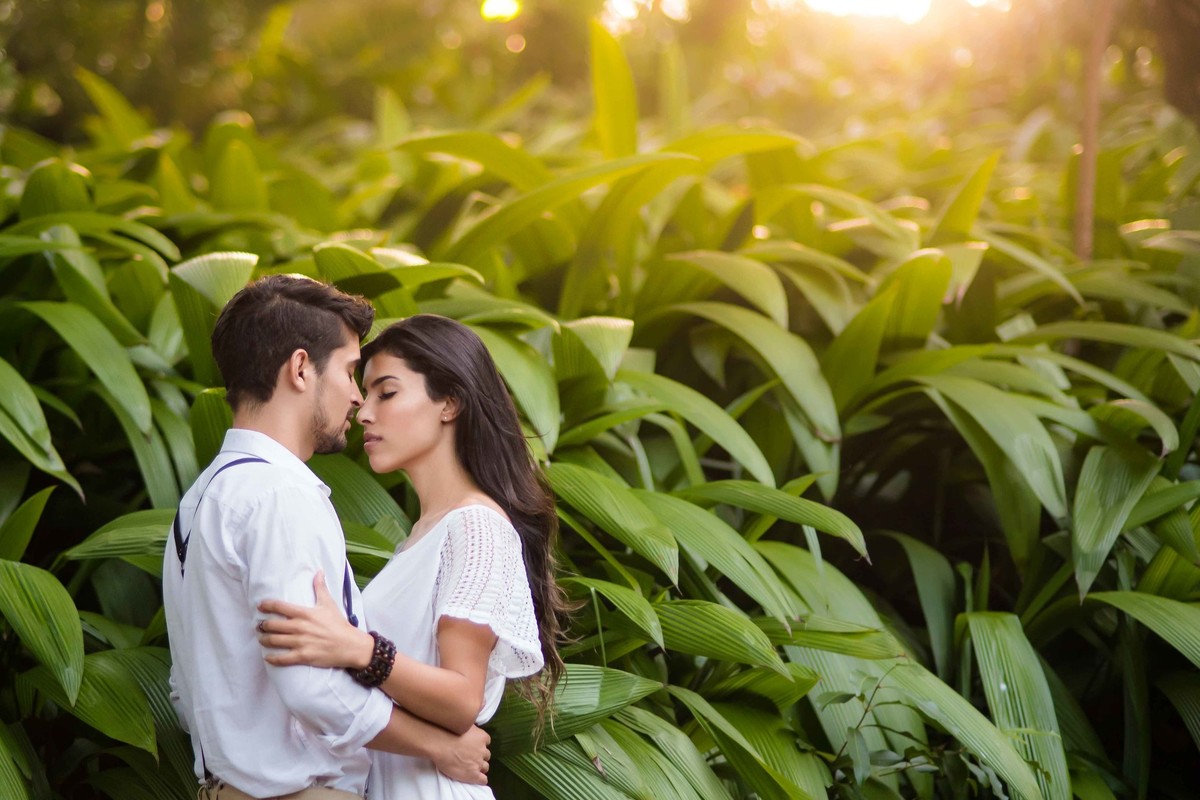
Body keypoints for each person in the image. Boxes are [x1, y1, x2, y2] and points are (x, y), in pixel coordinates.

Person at [163, 278, 491, 800]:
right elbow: (312, 686)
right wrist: (438, 745)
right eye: (349, 371)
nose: (357, 397)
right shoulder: (281, 495)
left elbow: (184, 691)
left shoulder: (200, 498)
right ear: (300, 369)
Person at [255, 314, 569, 800]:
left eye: (387, 392)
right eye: (365, 394)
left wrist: (360, 649)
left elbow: (462, 699)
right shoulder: (425, 534)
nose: (364, 413)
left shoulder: (477, 528)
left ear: (450, 402)